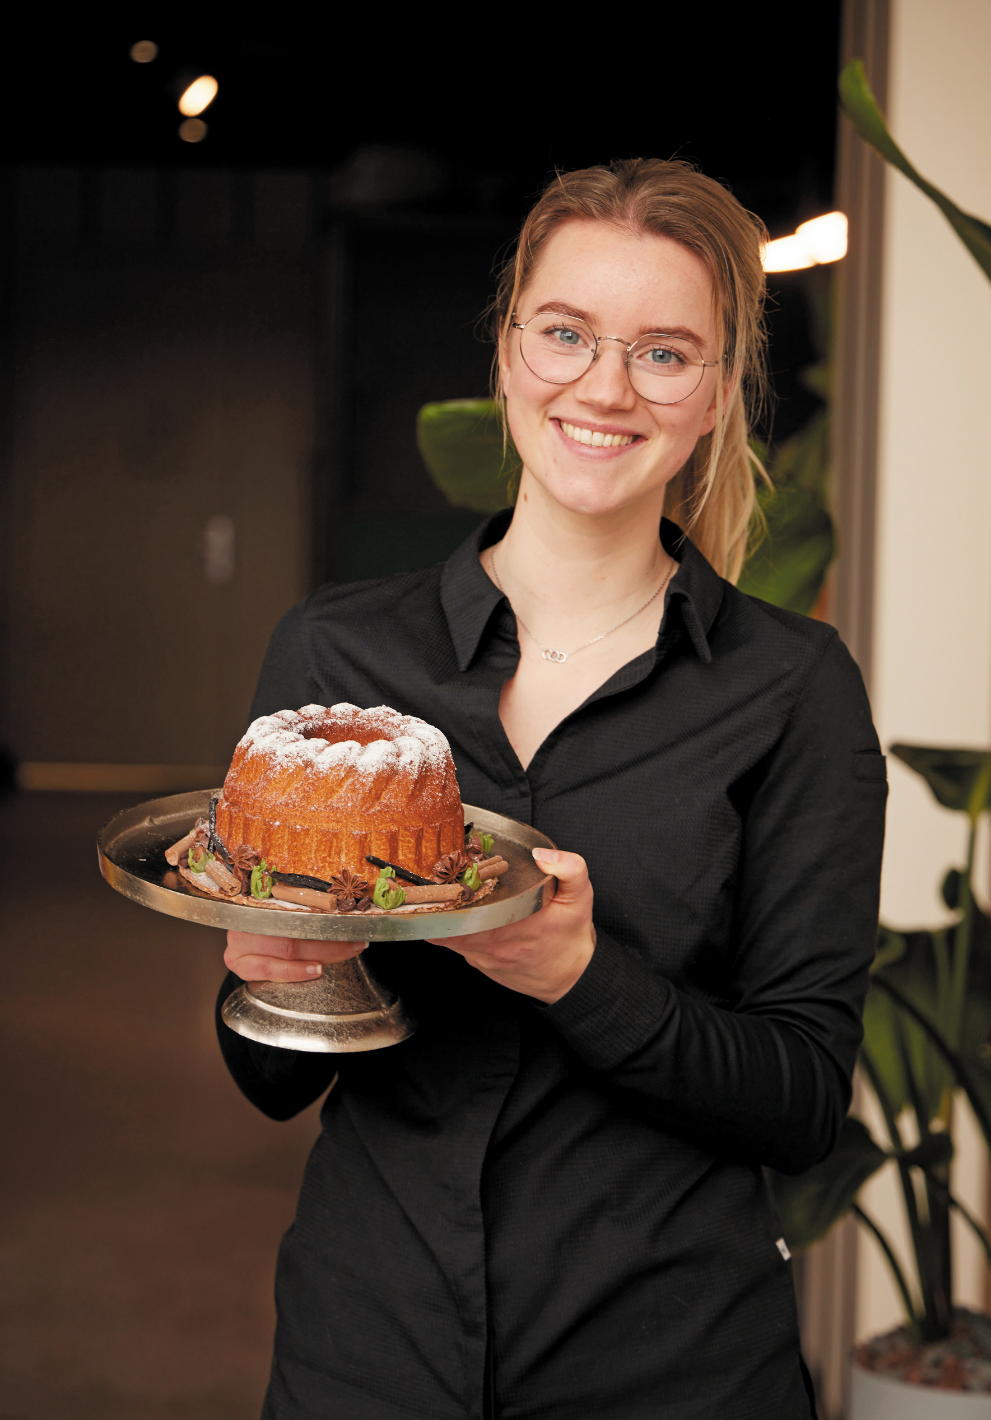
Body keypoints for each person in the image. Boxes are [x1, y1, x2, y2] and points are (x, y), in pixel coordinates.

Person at [219, 158, 887, 1420]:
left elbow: (801, 1101)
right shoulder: (336, 660)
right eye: (568, 333)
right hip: (371, 1353)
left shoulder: (793, 690)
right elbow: (269, 1080)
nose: (605, 387)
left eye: (664, 353)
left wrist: (582, 974)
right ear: (508, 346)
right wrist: (282, 974)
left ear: (718, 395)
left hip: (672, 1369)